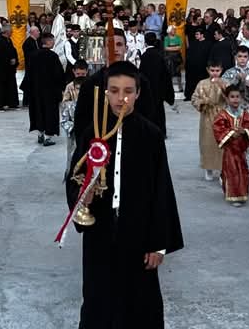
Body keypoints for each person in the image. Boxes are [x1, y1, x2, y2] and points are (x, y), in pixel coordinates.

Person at [64, 61, 184, 329]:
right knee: (98, 299)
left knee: (140, 302)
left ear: (138, 93)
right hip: (100, 230)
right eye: (115, 91)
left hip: (139, 232)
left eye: (128, 91)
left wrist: (158, 243)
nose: (121, 98)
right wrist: (82, 197)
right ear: (105, 93)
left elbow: (161, 189)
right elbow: (73, 176)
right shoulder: (92, 133)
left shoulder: (151, 136)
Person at [213, 84, 249, 206]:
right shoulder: (223, 114)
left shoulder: (245, 114)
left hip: (241, 150)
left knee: (243, 172)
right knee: (231, 172)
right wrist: (232, 133)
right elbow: (218, 129)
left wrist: (245, 131)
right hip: (230, 150)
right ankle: (233, 195)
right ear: (227, 99)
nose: (235, 99)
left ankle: (242, 193)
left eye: (237, 96)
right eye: (232, 97)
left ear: (241, 98)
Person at [25, 32, 65, 146]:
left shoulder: (33, 55)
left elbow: (29, 73)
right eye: (52, 40)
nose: (54, 42)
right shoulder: (53, 56)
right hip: (50, 91)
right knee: (50, 112)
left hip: (36, 91)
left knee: (38, 111)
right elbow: (58, 74)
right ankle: (48, 137)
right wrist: (62, 87)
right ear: (48, 41)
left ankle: (40, 134)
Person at [191, 60, 226, 182]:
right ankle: (208, 168)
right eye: (212, 70)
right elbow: (194, 98)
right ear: (207, 70)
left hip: (222, 116)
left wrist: (223, 87)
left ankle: (222, 170)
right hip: (207, 116)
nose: (215, 73)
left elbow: (231, 96)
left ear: (221, 70)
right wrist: (203, 102)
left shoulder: (225, 83)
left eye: (217, 70)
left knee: (222, 143)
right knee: (207, 143)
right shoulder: (202, 83)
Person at [138, 33, 176, 137]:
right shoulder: (160, 55)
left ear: (145, 42)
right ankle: (161, 133)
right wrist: (168, 93)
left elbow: (141, 74)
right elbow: (165, 75)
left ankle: (150, 133)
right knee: (159, 111)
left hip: (148, 89)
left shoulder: (144, 56)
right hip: (159, 89)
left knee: (148, 111)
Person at [60, 59, 89, 164]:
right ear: (73, 72)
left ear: (87, 72)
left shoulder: (91, 85)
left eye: (83, 74)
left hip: (88, 123)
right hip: (73, 124)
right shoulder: (70, 87)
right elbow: (64, 105)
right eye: (78, 74)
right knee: (72, 150)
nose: (80, 76)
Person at [0, 25, 19, 112]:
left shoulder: (9, 40)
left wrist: (14, 59)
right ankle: (0, 105)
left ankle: (11, 103)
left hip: (9, 69)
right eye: (11, 31)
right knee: (1, 87)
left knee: (10, 86)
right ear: (6, 32)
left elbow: (13, 51)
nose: (12, 32)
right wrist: (9, 60)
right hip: (1, 69)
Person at [183, 28, 211, 101]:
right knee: (191, 81)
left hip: (202, 67)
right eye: (195, 34)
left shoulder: (208, 44)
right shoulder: (193, 43)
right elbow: (189, 54)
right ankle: (189, 96)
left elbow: (208, 56)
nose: (196, 36)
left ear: (202, 35)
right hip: (192, 67)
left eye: (197, 34)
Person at [21, 25, 42, 106]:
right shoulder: (28, 42)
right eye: (37, 31)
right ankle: (26, 101)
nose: (39, 32)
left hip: (37, 67)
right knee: (29, 84)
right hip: (31, 66)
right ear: (33, 32)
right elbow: (30, 55)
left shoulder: (38, 41)